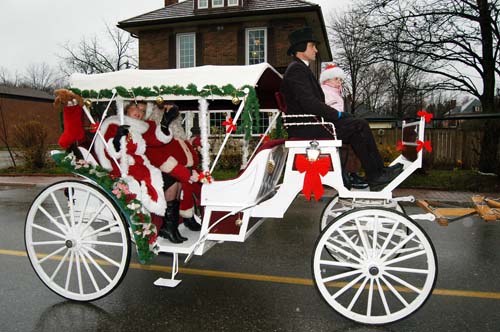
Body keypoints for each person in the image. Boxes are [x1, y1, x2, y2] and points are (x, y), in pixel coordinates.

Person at [280, 27, 402, 191]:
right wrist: (336, 114)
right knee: (359, 125)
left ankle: (378, 172)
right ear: (301, 48)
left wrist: (341, 115)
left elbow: (311, 102)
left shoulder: (300, 68)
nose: (316, 50)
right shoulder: (296, 69)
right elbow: (310, 103)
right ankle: (376, 175)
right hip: (308, 127)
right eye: (312, 46)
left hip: (310, 124)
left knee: (357, 123)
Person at [94, 102, 182, 243]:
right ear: (127, 108)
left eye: (142, 110)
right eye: (136, 108)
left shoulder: (139, 128)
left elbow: (157, 138)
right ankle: (167, 227)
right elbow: (109, 151)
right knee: (170, 183)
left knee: (176, 181)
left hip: (142, 167)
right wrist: (117, 139)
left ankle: (170, 226)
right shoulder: (114, 124)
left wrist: (165, 123)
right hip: (125, 169)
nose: (139, 112)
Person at [146, 107, 203, 234]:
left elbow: (184, 145)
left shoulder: (178, 137)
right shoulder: (156, 132)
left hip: (185, 168)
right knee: (181, 181)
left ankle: (191, 216)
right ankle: (172, 226)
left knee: (201, 185)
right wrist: (179, 170)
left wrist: (194, 142)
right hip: (168, 170)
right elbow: (157, 154)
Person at [319, 64, 366, 189]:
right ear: (327, 80)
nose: (339, 82)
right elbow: (328, 110)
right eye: (336, 79)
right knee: (353, 137)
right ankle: (348, 174)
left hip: (336, 123)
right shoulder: (325, 91)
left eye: (340, 79)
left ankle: (351, 173)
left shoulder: (336, 92)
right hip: (331, 125)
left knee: (354, 140)